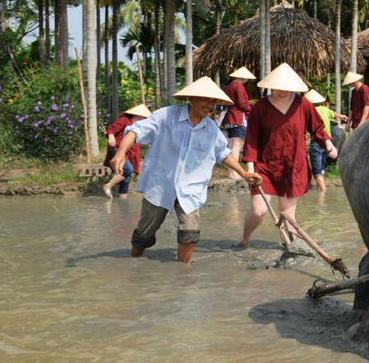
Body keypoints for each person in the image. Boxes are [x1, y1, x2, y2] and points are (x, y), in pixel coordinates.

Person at [110, 77, 261, 263]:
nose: (210, 105)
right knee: (145, 232)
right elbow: (135, 131)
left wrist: (244, 173)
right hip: (161, 183)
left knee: (189, 231)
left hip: (190, 187)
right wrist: (121, 152)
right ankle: (134, 259)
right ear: (191, 98)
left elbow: (223, 152)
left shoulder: (211, 129)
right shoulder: (165, 116)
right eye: (205, 100)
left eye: (213, 101)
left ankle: (183, 271)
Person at [236, 63, 337, 247]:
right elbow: (251, 139)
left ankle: (290, 249)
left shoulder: (303, 104)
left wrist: (328, 143)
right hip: (264, 166)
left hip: (293, 167)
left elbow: (317, 128)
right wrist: (250, 169)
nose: (281, 92)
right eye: (277, 88)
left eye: (286, 89)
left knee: (288, 215)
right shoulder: (260, 107)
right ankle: (245, 237)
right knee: (259, 211)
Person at [102, 104, 152, 199]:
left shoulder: (139, 126)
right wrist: (111, 135)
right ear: (139, 116)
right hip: (118, 149)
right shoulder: (124, 120)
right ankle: (108, 185)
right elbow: (112, 129)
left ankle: (123, 199)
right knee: (128, 170)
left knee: (126, 178)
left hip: (129, 153)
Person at [223, 66, 255, 180]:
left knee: (231, 145)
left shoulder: (228, 87)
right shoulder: (239, 87)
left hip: (229, 117)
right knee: (237, 145)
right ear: (243, 78)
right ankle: (234, 173)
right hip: (238, 118)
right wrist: (250, 111)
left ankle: (230, 173)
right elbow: (242, 104)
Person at [305, 89, 333, 192]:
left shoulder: (309, 111)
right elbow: (335, 114)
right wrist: (343, 117)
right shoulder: (325, 109)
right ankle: (319, 189)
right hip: (327, 141)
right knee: (321, 165)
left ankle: (322, 193)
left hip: (316, 141)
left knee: (316, 169)